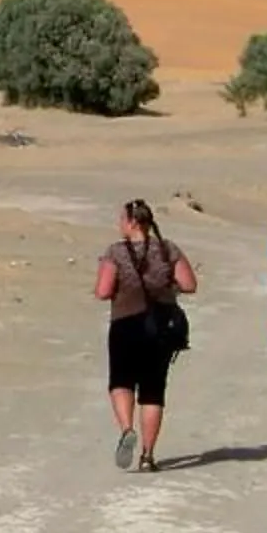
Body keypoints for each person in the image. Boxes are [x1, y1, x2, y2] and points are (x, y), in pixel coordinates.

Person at [93, 198, 198, 472]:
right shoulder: (167, 249)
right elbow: (189, 284)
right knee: (153, 391)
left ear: (132, 223)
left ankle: (127, 428)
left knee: (121, 382)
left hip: (125, 324)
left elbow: (103, 291)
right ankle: (148, 455)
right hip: (161, 327)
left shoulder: (116, 252)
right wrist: (166, 288)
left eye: (121, 219)